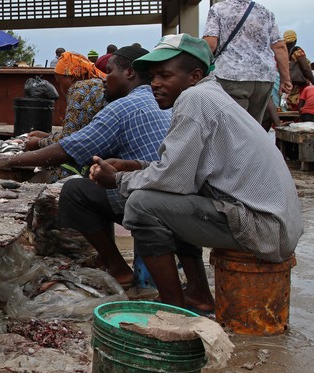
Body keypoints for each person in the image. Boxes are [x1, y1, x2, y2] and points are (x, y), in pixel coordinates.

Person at [89, 33, 302, 312]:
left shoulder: (194, 99)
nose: (155, 84)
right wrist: (135, 166)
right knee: (168, 199)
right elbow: (184, 171)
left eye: (164, 75)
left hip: (263, 229)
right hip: (276, 226)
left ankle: (173, 308)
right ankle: (198, 294)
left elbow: (173, 181)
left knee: (141, 204)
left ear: (194, 76)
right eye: (152, 76)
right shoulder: (210, 95)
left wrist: (117, 179)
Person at [0, 45, 171, 289]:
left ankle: (117, 268)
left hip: (146, 198)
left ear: (130, 73)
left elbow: (67, 150)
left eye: (110, 72)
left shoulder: (122, 106)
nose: (104, 79)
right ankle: (107, 259)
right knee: (95, 182)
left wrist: (7, 160)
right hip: (167, 193)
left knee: (75, 193)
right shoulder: (161, 100)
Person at [203, 0, 291, 123]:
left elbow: (210, 44)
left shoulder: (218, 9)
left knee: (235, 128)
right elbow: (280, 47)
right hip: (264, 79)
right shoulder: (265, 13)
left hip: (232, 77)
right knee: (253, 128)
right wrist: (285, 80)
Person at [24, 50, 107, 154]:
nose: (61, 89)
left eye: (60, 83)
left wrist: (39, 142)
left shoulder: (80, 90)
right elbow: (77, 133)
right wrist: (48, 136)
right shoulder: (97, 84)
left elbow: (69, 140)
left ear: (71, 77)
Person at [282, 29, 314, 110]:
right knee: (301, 106)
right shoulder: (297, 52)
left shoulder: (283, 53)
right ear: (295, 40)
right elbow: (306, 68)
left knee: (291, 106)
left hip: (289, 85)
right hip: (300, 86)